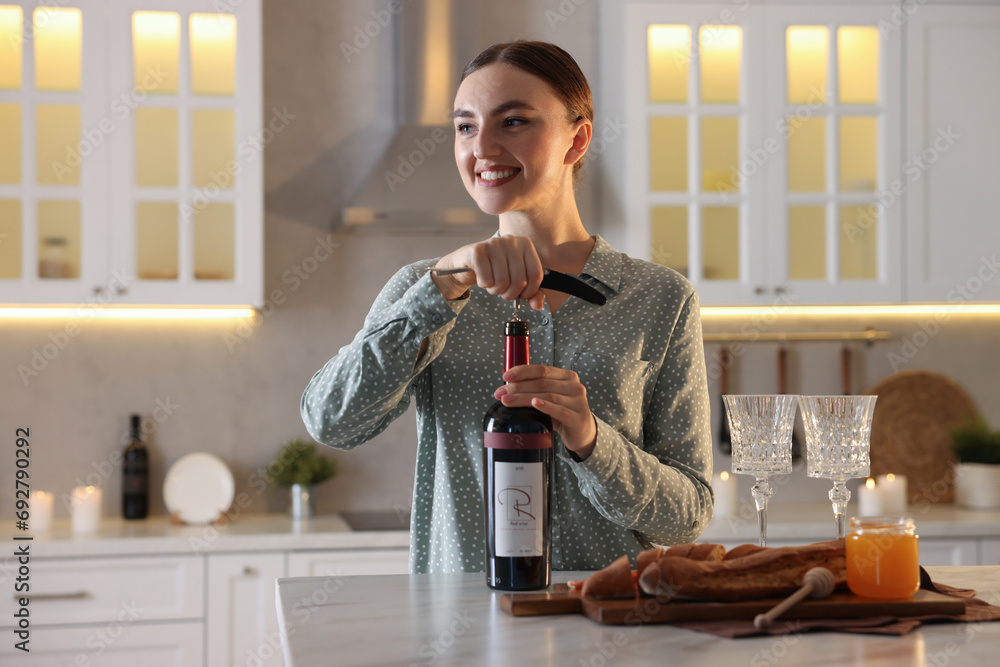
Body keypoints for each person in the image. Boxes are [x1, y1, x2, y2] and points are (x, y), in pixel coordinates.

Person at [301, 41, 713, 574]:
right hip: (463, 630)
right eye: (466, 126)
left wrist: (592, 440)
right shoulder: (425, 288)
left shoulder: (660, 299)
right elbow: (331, 420)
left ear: (576, 139)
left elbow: (688, 516)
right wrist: (439, 291)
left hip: (610, 625)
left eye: (513, 121)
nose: (483, 148)